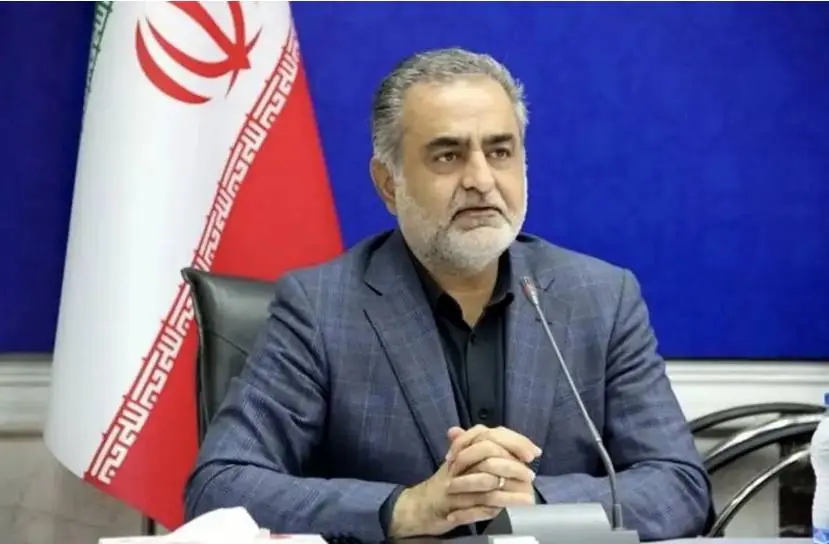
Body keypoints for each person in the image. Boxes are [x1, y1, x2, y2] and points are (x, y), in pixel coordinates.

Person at [184, 48, 713, 542]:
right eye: (447, 156)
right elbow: (219, 488)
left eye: (500, 151)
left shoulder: (601, 298)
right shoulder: (320, 308)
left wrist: (535, 500)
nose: (481, 179)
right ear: (388, 184)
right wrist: (405, 507)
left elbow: (681, 487)